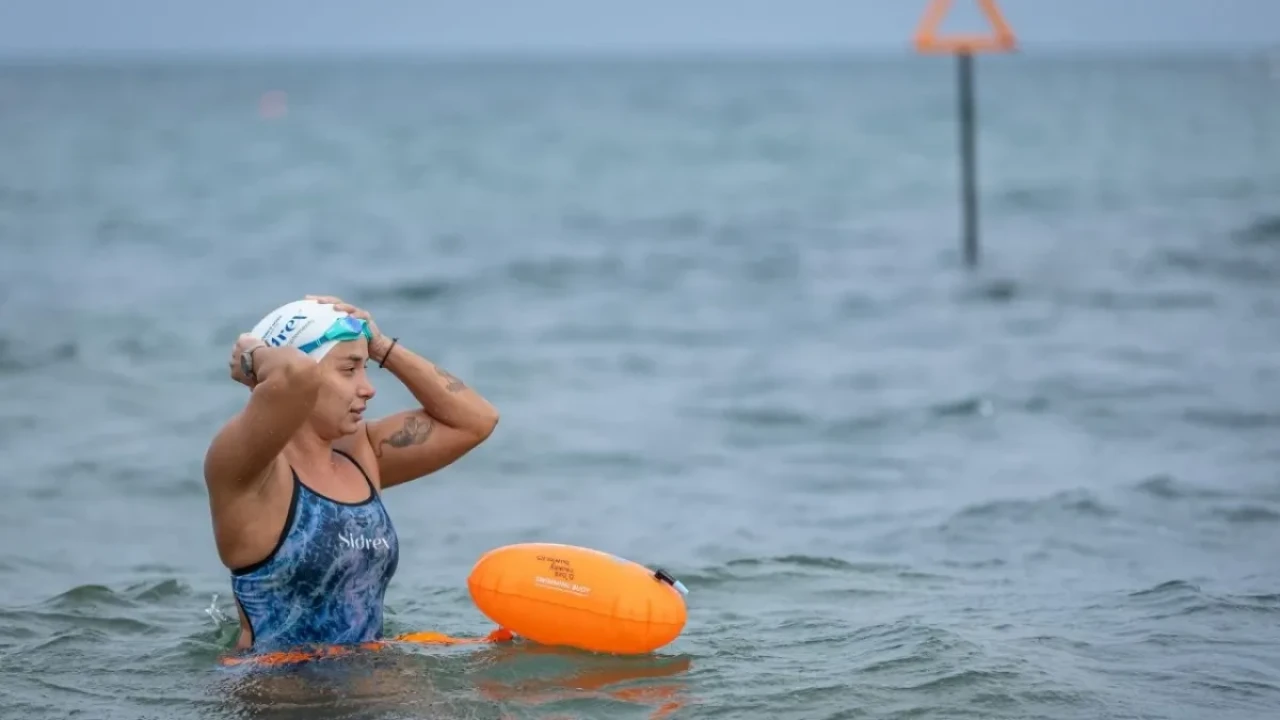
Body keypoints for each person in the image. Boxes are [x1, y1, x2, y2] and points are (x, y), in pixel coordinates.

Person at [203, 294, 500, 655]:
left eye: (365, 368)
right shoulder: (247, 472)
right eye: (348, 370)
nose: (368, 388)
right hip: (280, 695)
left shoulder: (361, 454)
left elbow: (477, 420)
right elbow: (292, 375)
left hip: (366, 677)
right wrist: (253, 356)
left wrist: (382, 347)